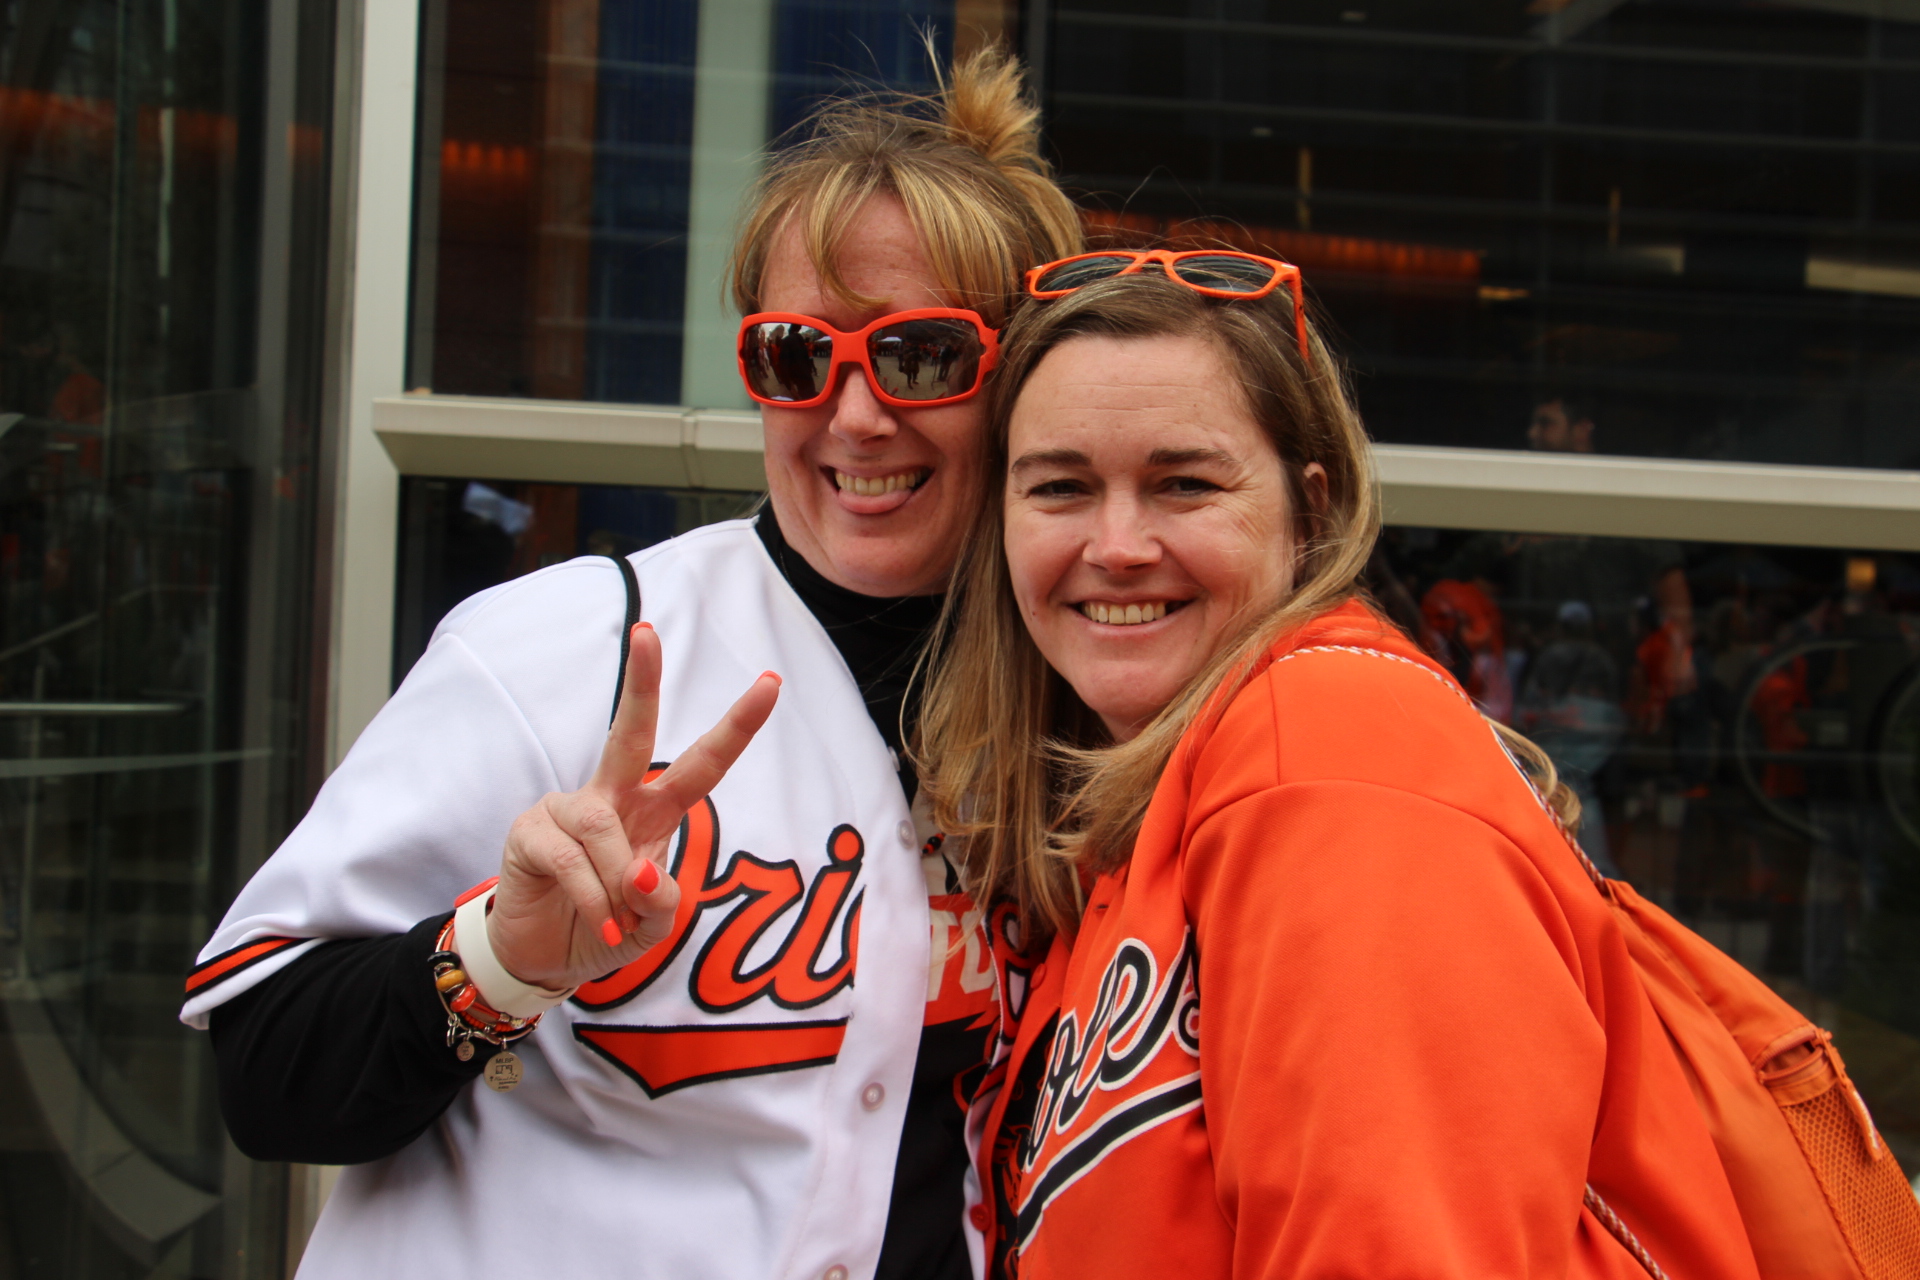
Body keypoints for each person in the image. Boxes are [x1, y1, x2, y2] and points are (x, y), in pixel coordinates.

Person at [182, 50, 1080, 1280]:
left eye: (921, 354)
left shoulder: (1081, 710)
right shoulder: (561, 649)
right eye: (795, 356)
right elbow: (266, 1075)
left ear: (1024, 370)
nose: (856, 414)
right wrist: (496, 959)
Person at [917, 260, 1766, 1280]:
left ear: (1308, 511)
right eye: (1061, 486)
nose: (1119, 543)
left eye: (1185, 482)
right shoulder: (1163, 789)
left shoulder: (1327, 760)